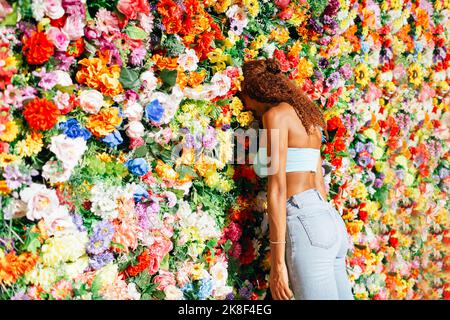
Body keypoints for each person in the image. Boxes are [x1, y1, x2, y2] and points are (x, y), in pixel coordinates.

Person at [239, 58, 354, 300]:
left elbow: (278, 189)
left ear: (254, 89)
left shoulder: (277, 116)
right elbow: (320, 182)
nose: (243, 104)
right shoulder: (308, 118)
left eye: (242, 94)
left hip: (304, 222)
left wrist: (277, 265)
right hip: (328, 219)